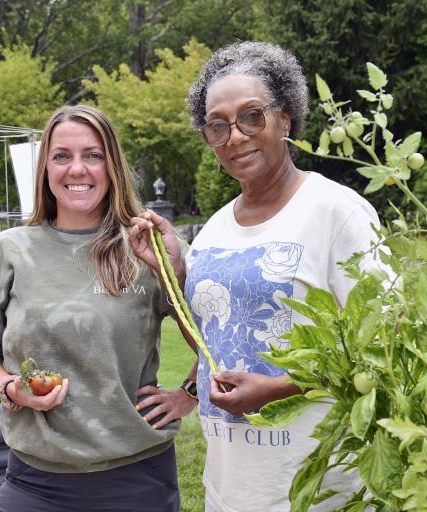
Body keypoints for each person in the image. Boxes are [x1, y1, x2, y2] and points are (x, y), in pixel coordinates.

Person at [130, 41, 390, 511]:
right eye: (217, 126)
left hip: (318, 488)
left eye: (252, 116)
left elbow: (385, 346)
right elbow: (214, 343)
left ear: (285, 119)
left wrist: (283, 388)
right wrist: (174, 268)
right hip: (229, 489)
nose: (235, 136)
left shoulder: (337, 211)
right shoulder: (213, 229)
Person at [0, 105, 192, 512]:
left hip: (136, 480)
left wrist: (189, 393)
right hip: (34, 481)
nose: (77, 169)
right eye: (62, 156)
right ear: (45, 168)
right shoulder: (10, 251)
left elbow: (217, 336)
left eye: (93, 155)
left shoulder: (145, 246)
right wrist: (12, 388)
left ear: (111, 166)